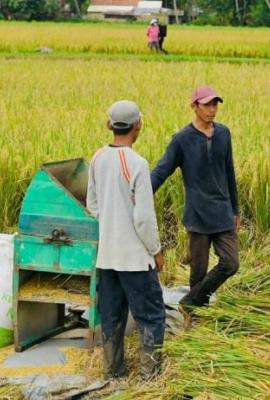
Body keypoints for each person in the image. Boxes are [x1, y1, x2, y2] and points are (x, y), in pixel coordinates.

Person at [87, 100, 165, 379]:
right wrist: (156, 250)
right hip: (134, 259)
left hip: (107, 258)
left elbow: (93, 205)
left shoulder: (96, 158)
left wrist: (111, 221)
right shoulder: (137, 163)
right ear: (138, 126)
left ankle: (113, 371)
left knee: (111, 317)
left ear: (110, 125)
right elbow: (143, 218)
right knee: (150, 316)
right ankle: (149, 377)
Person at [151, 86, 239, 326]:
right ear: (194, 107)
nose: (212, 109)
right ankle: (194, 320)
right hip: (198, 215)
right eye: (207, 104)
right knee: (197, 273)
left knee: (231, 263)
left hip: (222, 212)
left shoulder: (223, 134)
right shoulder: (182, 140)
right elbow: (162, 170)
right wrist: (141, 192)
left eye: (215, 104)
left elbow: (229, 171)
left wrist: (236, 209)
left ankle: (190, 302)